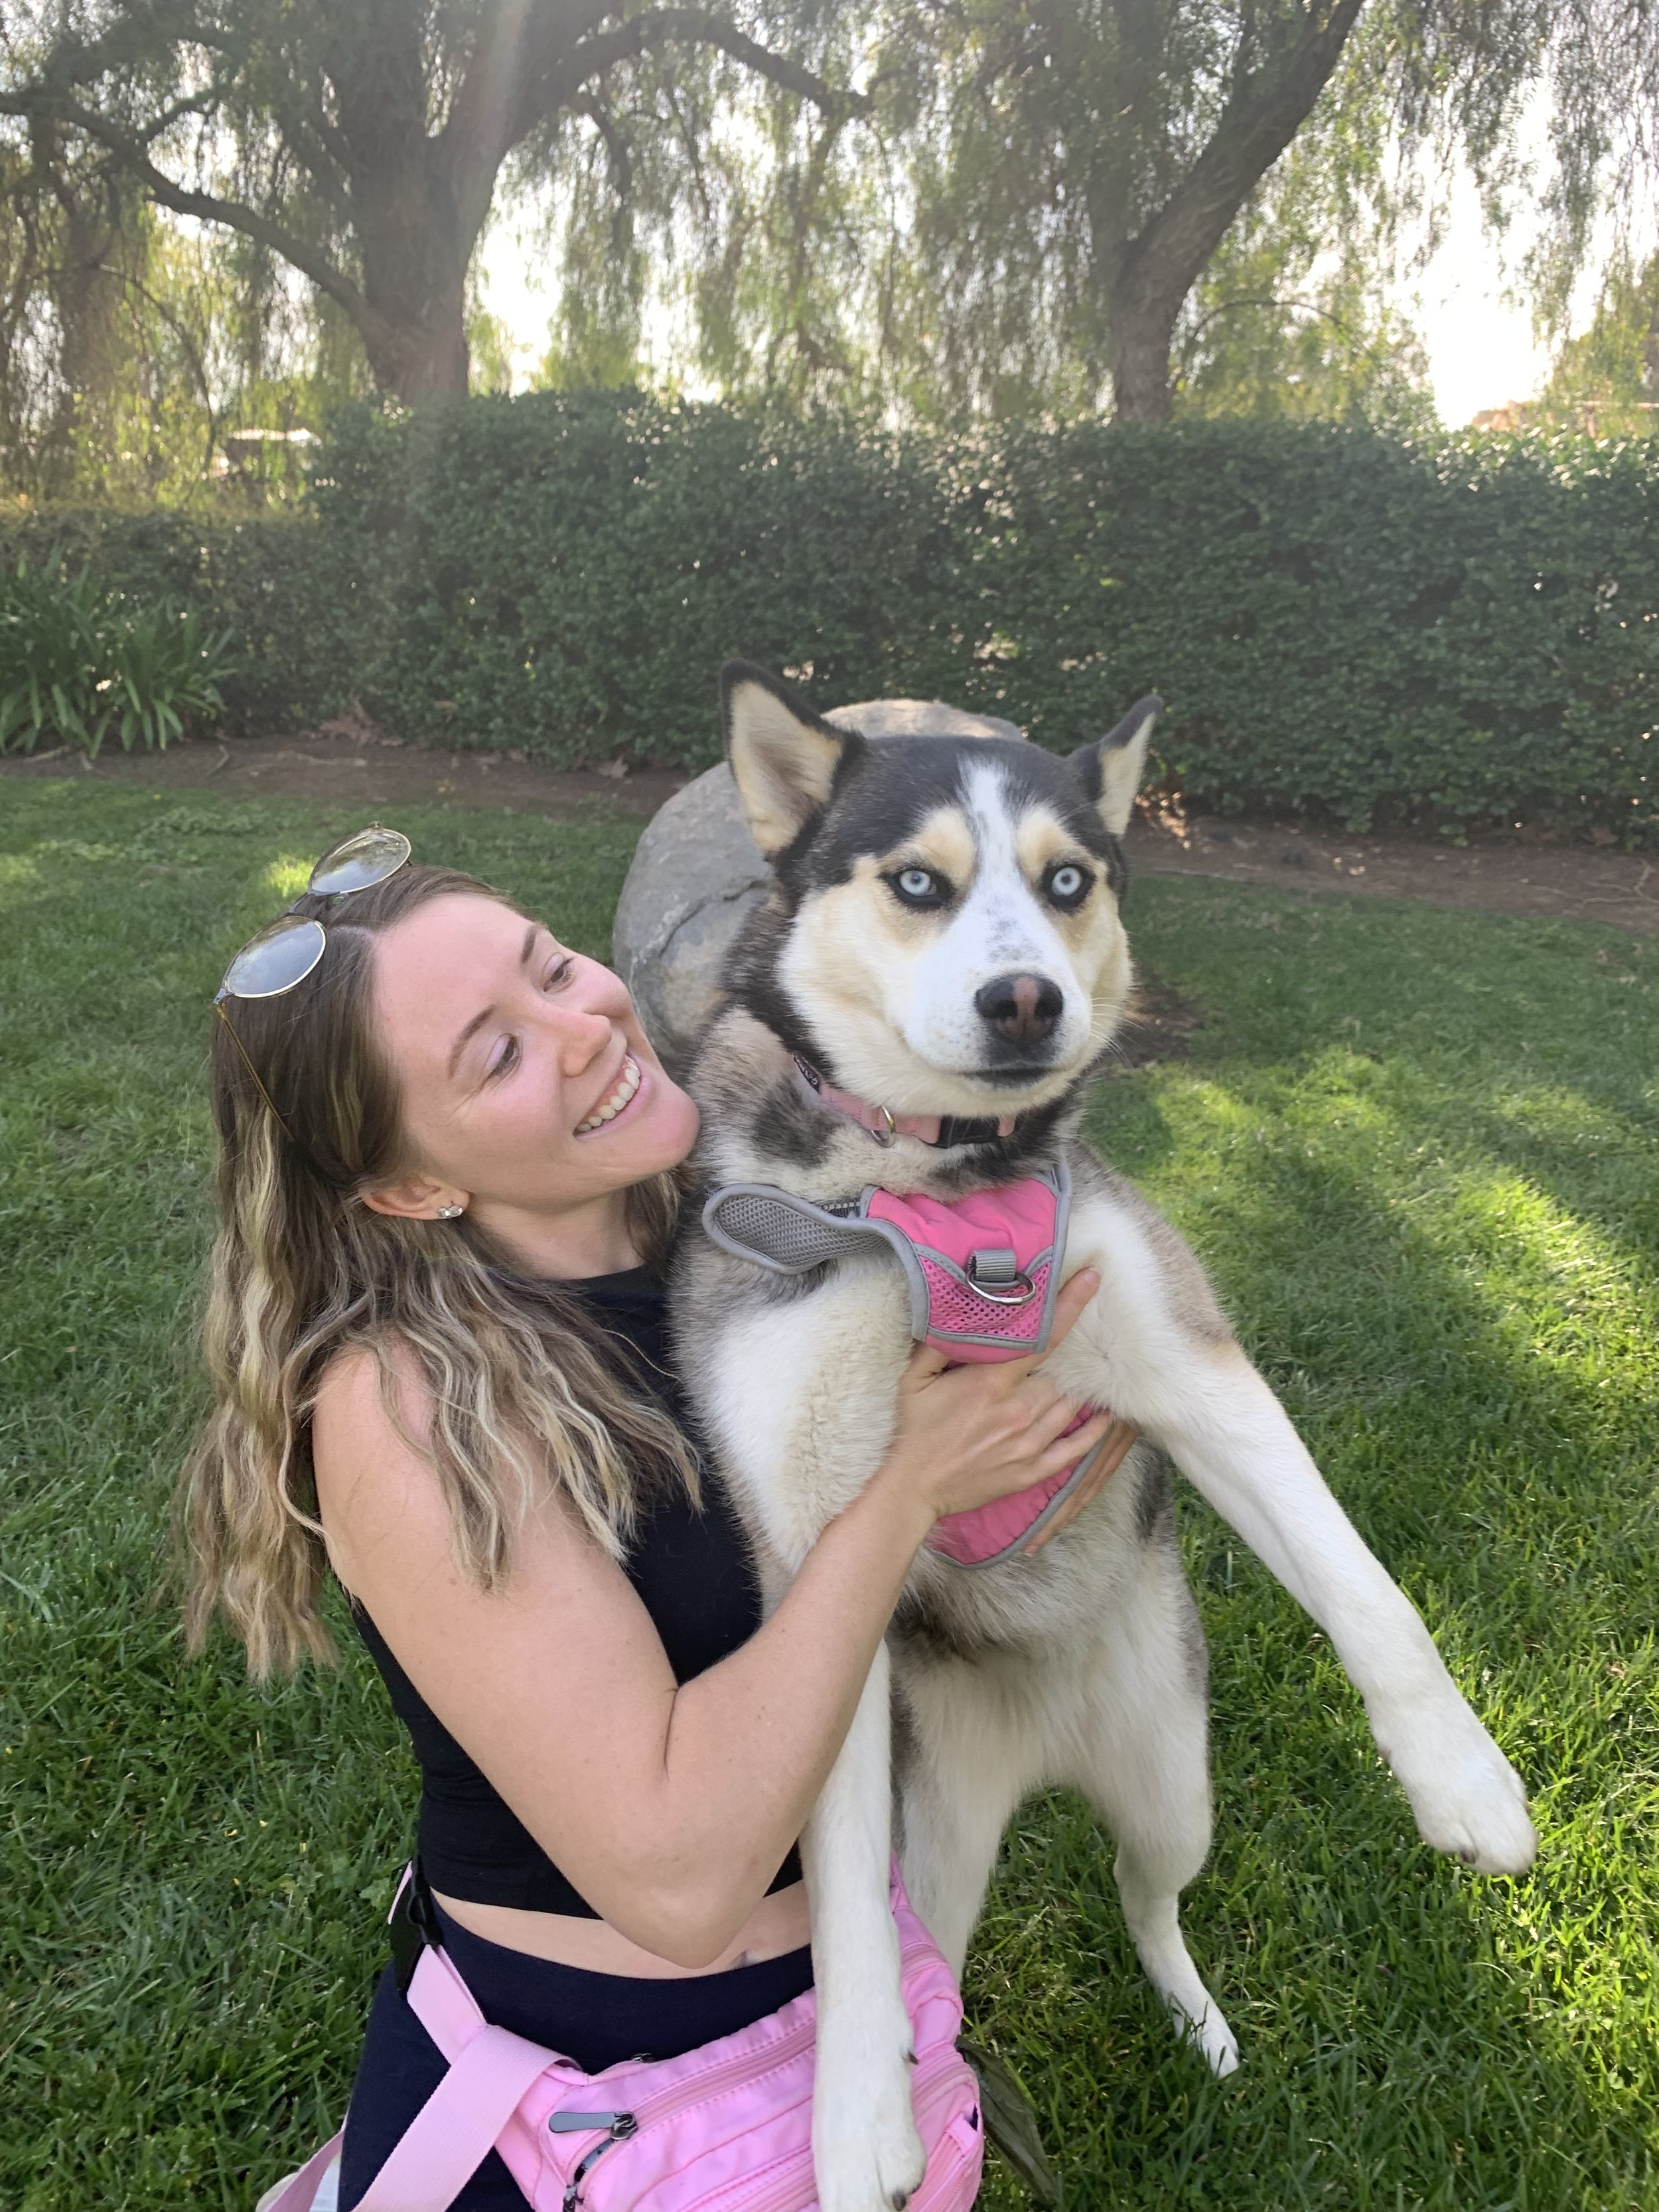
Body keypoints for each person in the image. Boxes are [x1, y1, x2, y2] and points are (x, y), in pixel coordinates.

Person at [180, 829, 1120, 2211]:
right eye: (498, 1055)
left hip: (856, 2010)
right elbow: (678, 1877)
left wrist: (1032, 1441)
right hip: (597, 2113)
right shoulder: (412, 1402)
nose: (586, 1029)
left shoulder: (752, 1226)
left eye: (552, 966)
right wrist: (906, 1493)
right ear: (411, 1187)